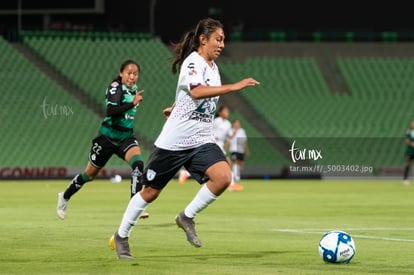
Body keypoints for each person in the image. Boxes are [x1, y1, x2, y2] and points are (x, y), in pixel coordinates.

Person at [109, 17, 260, 260]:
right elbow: (197, 90)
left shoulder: (213, 68)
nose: (222, 44)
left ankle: (186, 217)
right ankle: (121, 236)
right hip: (175, 142)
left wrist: (178, 107)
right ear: (203, 39)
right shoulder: (193, 62)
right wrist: (234, 87)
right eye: (218, 39)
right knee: (150, 192)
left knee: (223, 177)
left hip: (201, 139)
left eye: (223, 40)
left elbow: (195, 98)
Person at [56, 59, 149, 220]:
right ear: (121, 74)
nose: (132, 77)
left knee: (138, 164)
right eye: (129, 73)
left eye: (135, 74)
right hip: (107, 137)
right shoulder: (115, 88)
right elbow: (111, 111)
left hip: (125, 137)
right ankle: (64, 196)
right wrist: (132, 103)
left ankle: (136, 206)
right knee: (89, 175)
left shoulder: (134, 89)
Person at [228, 119, 250, 188]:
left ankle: (236, 175)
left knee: (241, 164)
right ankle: (236, 177)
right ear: (233, 124)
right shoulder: (230, 131)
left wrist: (246, 150)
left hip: (241, 150)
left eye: (238, 123)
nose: (237, 124)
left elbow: (244, 141)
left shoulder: (242, 131)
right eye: (236, 123)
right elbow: (228, 140)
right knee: (235, 162)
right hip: (234, 149)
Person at [403, 119, 414, 185]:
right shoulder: (409, 131)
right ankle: (405, 179)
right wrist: (411, 144)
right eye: (412, 123)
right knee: (408, 164)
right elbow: (406, 140)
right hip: (410, 151)